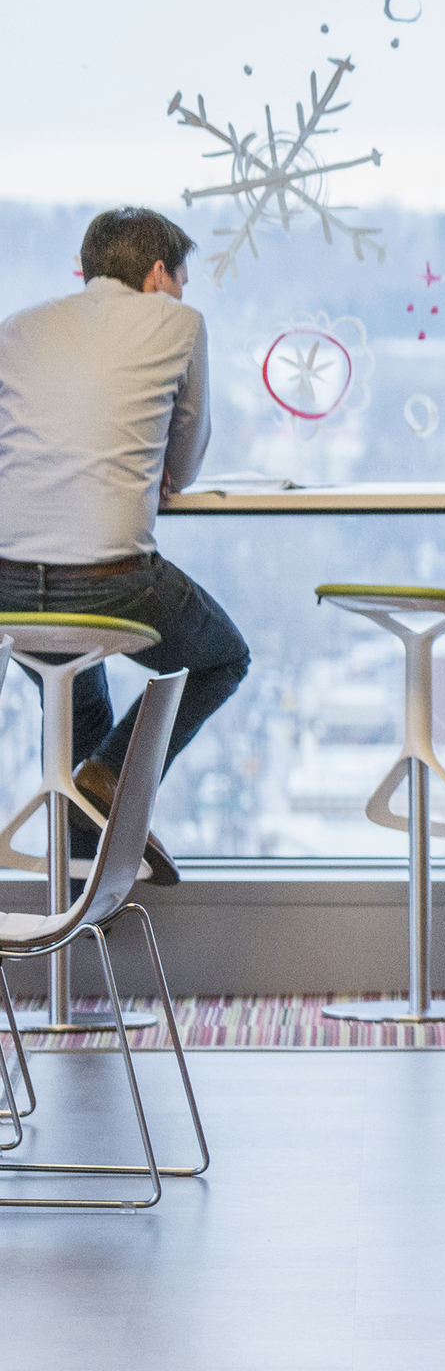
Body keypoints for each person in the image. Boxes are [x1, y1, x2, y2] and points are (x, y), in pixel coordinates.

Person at [0, 207, 251, 885]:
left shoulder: (17, 328)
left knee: (82, 707)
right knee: (223, 658)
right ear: (156, 272)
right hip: (113, 581)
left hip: (10, 589)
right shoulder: (180, 324)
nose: (181, 295)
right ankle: (109, 779)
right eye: (180, 279)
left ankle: (87, 907)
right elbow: (187, 460)